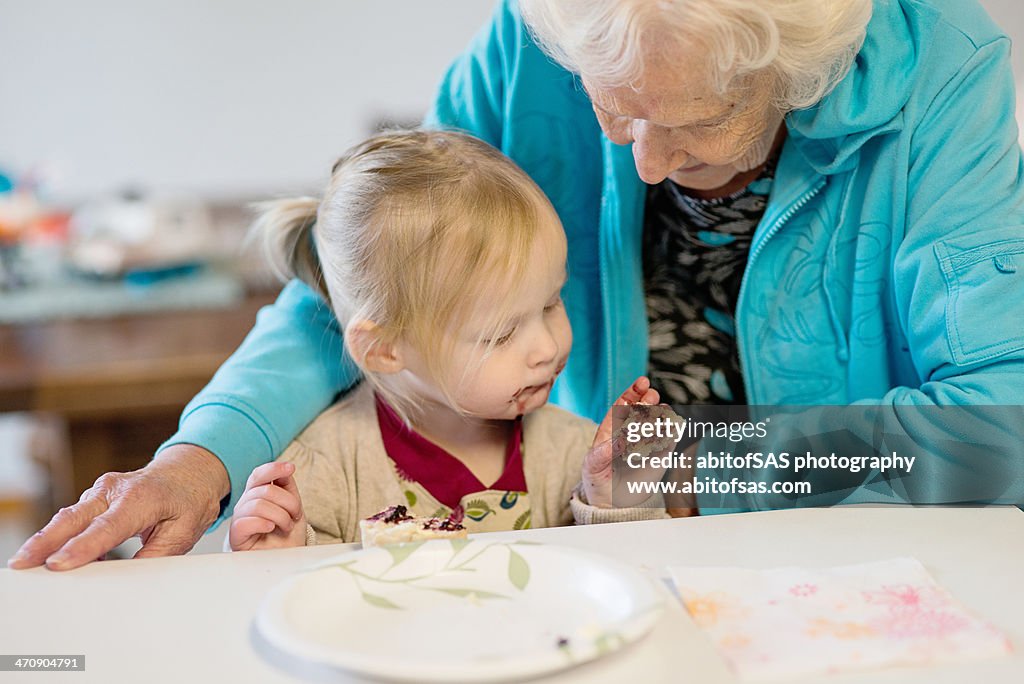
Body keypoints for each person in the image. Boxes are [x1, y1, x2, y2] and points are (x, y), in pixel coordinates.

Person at [11, 0, 1023, 569]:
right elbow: (376, 288)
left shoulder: (941, 78)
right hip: (592, 543)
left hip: (849, 554)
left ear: (798, 76)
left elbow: (998, 427)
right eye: (613, 112)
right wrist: (204, 454)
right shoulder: (538, 41)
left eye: (694, 127)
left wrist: (703, 464)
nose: (644, 167)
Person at [223, 129, 660, 550]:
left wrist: (614, 498)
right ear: (384, 349)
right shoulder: (319, 475)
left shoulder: (574, 451)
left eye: (551, 303)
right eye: (501, 334)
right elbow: (293, 607)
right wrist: (279, 553)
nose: (547, 348)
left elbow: (641, 579)